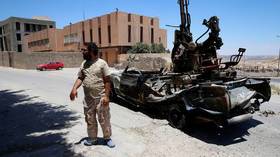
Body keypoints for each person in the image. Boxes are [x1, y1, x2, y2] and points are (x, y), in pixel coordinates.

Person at [69, 42, 115, 148]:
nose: (82, 52)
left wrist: (107, 96)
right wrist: (74, 89)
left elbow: (107, 80)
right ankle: (92, 139)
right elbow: (80, 77)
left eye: (84, 50)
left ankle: (107, 138)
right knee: (90, 119)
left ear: (91, 51)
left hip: (101, 98)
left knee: (104, 119)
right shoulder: (84, 64)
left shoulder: (102, 63)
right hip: (88, 99)